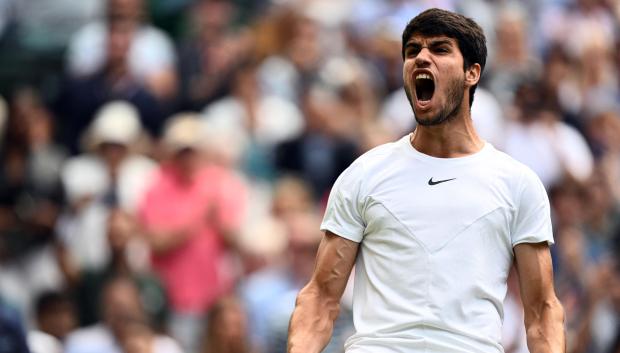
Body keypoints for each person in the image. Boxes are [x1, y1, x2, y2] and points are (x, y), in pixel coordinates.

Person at [288, 8, 565, 353]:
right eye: (412, 51)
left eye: (440, 49)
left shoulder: (518, 184)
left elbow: (542, 312)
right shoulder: (364, 174)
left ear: (472, 73)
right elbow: (320, 299)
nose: (421, 57)